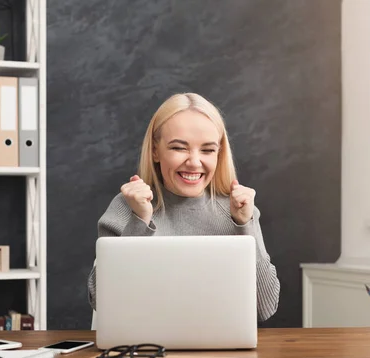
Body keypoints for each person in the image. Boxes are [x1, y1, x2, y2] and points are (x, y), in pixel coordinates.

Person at [87, 93, 280, 322]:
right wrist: (139, 221)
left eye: (207, 150)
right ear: (155, 151)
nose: (194, 162)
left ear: (219, 153)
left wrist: (244, 226)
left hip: (222, 350)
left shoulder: (240, 211)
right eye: (179, 148)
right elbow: (102, 301)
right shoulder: (126, 207)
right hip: (145, 348)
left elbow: (264, 308)